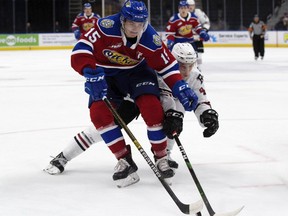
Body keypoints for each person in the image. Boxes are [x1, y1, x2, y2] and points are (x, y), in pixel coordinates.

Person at [44, 43, 218, 182]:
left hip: (157, 105)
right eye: (181, 65)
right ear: (172, 60)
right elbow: (166, 97)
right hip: (134, 100)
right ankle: (64, 156)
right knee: (101, 130)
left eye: (189, 65)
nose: (186, 71)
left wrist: (206, 114)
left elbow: (199, 99)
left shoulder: (195, 76)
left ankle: (165, 157)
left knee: (170, 123)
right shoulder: (161, 69)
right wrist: (174, 114)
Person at [69, 0, 198, 188]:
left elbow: (166, 64)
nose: (136, 28)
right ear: (122, 20)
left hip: (137, 73)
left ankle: (161, 157)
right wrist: (90, 72)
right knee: (99, 114)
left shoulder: (149, 36)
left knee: (152, 108)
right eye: (131, 23)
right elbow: (81, 49)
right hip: (106, 75)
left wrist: (179, 85)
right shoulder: (105, 27)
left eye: (140, 24)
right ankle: (124, 161)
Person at [186, 0, 210, 70]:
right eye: (189, 5)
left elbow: (206, 22)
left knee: (199, 55)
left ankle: (199, 69)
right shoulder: (183, 14)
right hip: (187, 39)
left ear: (194, 6)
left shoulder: (198, 13)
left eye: (192, 5)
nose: (190, 7)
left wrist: (204, 31)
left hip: (197, 38)